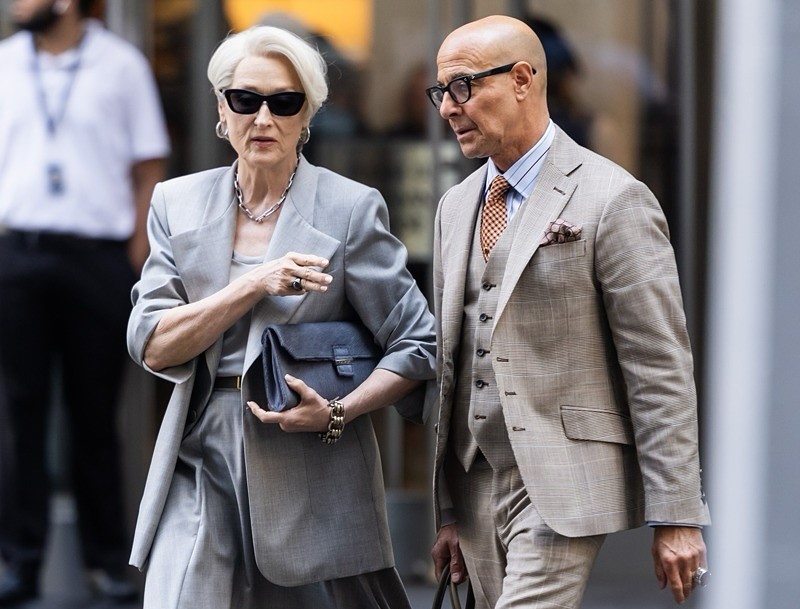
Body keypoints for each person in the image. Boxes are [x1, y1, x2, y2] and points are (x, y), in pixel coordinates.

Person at [126, 25, 436, 609]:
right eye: (246, 99)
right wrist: (252, 284)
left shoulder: (349, 208)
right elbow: (152, 344)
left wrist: (339, 411)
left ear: (307, 115)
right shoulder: (176, 202)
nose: (263, 118)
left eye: (284, 102)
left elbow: (418, 344)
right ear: (222, 109)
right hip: (200, 451)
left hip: (310, 460)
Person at [426, 15, 710, 609]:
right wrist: (448, 511)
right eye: (442, 91)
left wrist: (678, 514)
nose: (449, 108)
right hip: (474, 481)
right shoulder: (455, 206)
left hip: (564, 480)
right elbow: (453, 364)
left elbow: (658, 365)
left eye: (463, 87)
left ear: (522, 79)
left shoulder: (614, 197)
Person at [0, 0, 169, 604]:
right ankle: (19, 562)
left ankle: (105, 563)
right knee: (19, 414)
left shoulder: (121, 65)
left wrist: (135, 254)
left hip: (97, 257)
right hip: (18, 252)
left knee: (95, 415)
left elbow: (149, 165)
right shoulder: (4, 62)